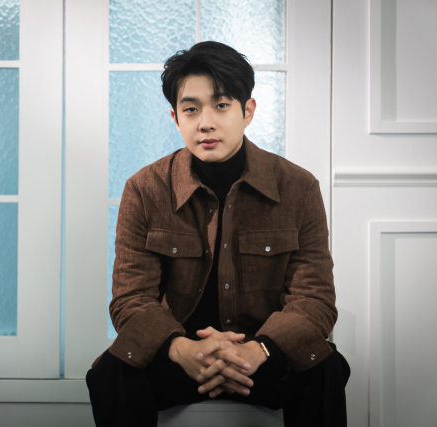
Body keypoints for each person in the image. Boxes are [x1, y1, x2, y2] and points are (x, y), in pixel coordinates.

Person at [85, 41, 350, 427]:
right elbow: (130, 299)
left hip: (265, 355)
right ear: (176, 118)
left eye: (221, 105)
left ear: (248, 111)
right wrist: (182, 349)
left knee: (324, 366)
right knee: (112, 370)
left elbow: (314, 299)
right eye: (191, 109)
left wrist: (260, 349)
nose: (205, 122)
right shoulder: (144, 188)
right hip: (179, 355)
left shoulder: (298, 187)